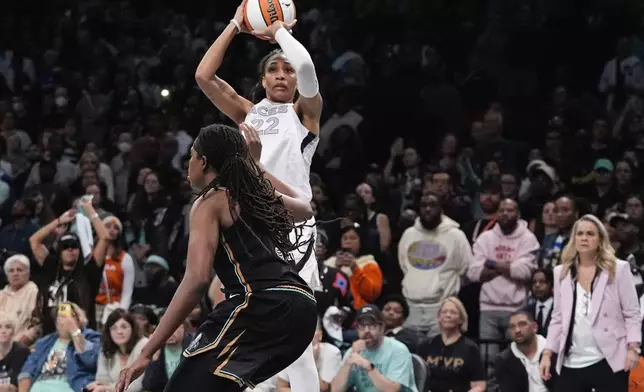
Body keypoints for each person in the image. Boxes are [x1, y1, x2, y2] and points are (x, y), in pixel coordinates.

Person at [116, 123, 318, 392]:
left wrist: (147, 351)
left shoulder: (210, 200)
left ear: (203, 161)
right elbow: (305, 208)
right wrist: (253, 165)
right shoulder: (253, 196)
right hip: (302, 309)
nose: (188, 163)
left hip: (262, 304)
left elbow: (196, 279)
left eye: (191, 155)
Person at [195, 3, 323, 389]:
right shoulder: (247, 113)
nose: (282, 75)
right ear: (263, 80)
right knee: (255, 323)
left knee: (294, 330)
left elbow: (309, 70)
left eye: (287, 70)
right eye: (273, 69)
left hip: (293, 225)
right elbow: (203, 75)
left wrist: (279, 31)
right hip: (251, 225)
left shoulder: (305, 113)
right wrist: (236, 24)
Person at [539, 214, 642, 392]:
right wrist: (548, 352)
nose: (584, 238)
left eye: (590, 234)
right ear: (574, 238)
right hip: (571, 359)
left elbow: (632, 313)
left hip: (609, 358)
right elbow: (557, 317)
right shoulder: (561, 272)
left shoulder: (618, 269)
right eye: (579, 234)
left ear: (600, 239)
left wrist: (633, 347)